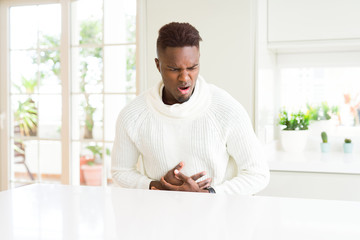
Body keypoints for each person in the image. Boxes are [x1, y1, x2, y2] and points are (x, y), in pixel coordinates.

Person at [111, 22, 269, 195]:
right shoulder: (133, 115)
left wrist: (209, 194)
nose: (185, 78)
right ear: (158, 65)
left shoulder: (226, 109)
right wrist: (159, 185)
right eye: (174, 69)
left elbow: (258, 173)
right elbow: (121, 171)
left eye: (192, 67)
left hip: (218, 217)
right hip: (159, 217)